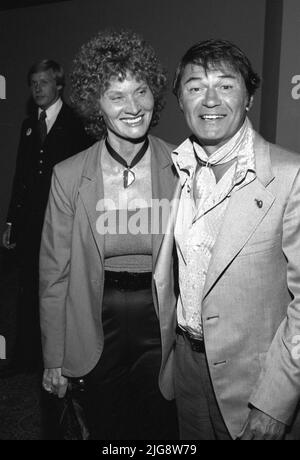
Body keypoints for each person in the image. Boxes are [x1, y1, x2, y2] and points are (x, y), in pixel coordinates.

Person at [154, 39, 300, 440]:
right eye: (195, 86)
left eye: (226, 85)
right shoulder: (173, 170)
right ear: (180, 100)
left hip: (256, 381)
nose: (210, 99)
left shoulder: (290, 176)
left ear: (249, 97)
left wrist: (276, 400)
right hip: (185, 367)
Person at [40, 30, 179, 440]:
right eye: (116, 96)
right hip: (95, 320)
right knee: (105, 428)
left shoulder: (183, 166)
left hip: (161, 324)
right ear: (95, 105)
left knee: (159, 431)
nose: (133, 107)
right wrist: (53, 356)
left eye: (140, 91)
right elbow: (54, 275)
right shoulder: (68, 176)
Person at [2, 60, 92, 372]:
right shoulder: (29, 125)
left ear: (58, 86)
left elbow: (87, 178)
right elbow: (21, 177)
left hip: (62, 223)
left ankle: (61, 357)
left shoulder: (77, 123)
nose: (38, 88)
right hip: (29, 226)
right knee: (27, 289)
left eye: (44, 82)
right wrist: (11, 221)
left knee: (60, 290)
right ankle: (26, 355)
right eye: (33, 83)